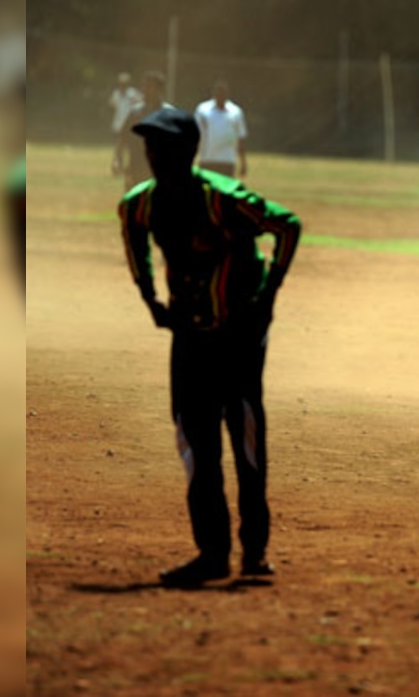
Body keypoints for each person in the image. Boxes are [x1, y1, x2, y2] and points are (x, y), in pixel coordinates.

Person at [119, 106, 301, 587]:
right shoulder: (140, 203)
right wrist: (149, 299)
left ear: (187, 151)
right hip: (190, 333)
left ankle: (255, 550)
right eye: (148, 146)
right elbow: (133, 238)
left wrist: (267, 297)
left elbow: (287, 227)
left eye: (161, 146)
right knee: (196, 440)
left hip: (238, 331)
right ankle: (212, 553)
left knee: (245, 438)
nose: (152, 155)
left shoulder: (221, 198)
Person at [112, 70, 169, 191]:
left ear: (160, 90)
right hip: (135, 169)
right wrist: (117, 159)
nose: (145, 90)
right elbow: (123, 138)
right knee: (134, 206)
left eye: (149, 86)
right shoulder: (135, 113)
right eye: (144, 86)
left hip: (160, 172)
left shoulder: (168, 114)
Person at [194, 80, 249, 179]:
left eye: (223, 94)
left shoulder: (235, 112)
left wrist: (243, 162)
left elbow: (241, 138)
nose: (220, 97)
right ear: (214, 95)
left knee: (224, 192)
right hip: (207, 159)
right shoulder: (203, 110)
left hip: (227, 160)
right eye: (218, 94)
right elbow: (196, 135)